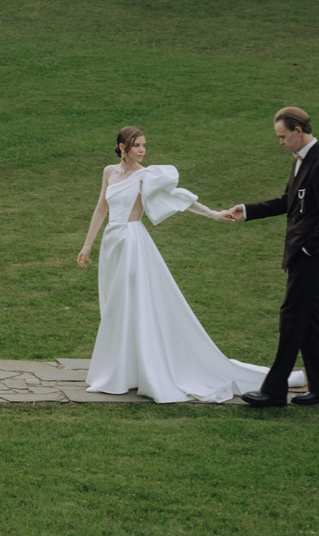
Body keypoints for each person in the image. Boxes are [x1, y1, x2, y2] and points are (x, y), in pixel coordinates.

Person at [73, 126, 267, 402]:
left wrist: (213, 214)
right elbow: (101, 208)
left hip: (132, 243)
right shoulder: (109, 172)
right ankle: (122, 370)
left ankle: (132, 372)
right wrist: (87, 243)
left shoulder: (146, 176)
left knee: (127, 303)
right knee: (112, 305)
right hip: (111, 243)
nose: (142, 150)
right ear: (122, 147)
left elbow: (179, 198)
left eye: (144, 145)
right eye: (137, 145)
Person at [225, 106, 319, 407]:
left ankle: (274, 390)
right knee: (311, 319)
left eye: (282, 137)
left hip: (309, 256)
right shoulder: (301, 162)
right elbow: (287, 202)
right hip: (302, 253)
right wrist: (247, 210)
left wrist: (308, 249)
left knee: (292, 317)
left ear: (298, 132)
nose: (280, 142)